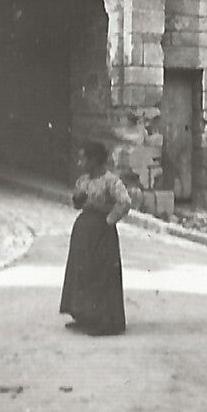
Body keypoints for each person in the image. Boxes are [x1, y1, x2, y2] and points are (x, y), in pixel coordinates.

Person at [60, 141, 130, 335]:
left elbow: (124, 202)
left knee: (101, 273)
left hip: (102, 232)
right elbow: (76, 203)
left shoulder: (111, 181)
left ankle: (104, 320)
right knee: (82, 272)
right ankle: (83, 316)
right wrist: (78, 198)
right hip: (83, 231)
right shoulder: (83, 180)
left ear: (95, 160)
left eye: (84, 159)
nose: (80, 163)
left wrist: (109, 220)